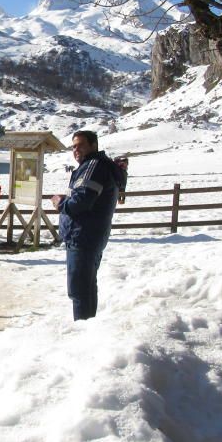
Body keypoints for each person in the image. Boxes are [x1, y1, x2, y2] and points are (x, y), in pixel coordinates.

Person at [50, 130, 128, 321]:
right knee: (86, 287)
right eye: (73, 146)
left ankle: (82, 334)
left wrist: (60, 203)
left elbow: (82, 201)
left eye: (80, 145)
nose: (76, 150)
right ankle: (88, 328)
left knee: (79, 291)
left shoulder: (94, 166)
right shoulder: (93, 166)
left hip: (83, 237)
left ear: (94, 145)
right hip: (86, 236)